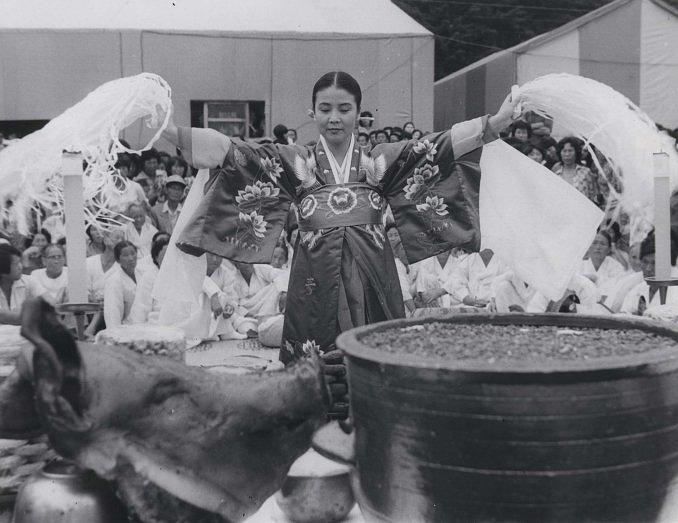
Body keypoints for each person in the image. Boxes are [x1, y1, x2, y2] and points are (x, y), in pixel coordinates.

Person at [159, 70, 519, 367]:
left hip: (372, 268)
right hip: (313, 270)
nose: (335, 117)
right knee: (314, 358)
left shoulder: (379, 160)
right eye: (325, 108)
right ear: (312, 112)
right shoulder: (295, 160)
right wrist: (172, 132)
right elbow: (234, 152)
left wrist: (495, 123)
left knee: (376, 352)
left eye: (344, 109)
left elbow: (435, 147)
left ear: (359, 113)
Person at [129, 235, 170, 324]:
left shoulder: (181, 275)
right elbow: (140, 309)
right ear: (156, 257)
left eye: (172, 257)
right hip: (156, 326)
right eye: (165, 257)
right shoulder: (149, 278)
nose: (169, 261)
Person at [551, 137, 601, 205]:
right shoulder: (556, 175)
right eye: (564, 151)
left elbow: (594, 195)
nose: (567, 154)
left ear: (576, 152)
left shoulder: (586, 172)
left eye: (570, 151)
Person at [579, 230, 626, 302]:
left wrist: (596, 280)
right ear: (588, 247)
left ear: (609, 249)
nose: (598, 247)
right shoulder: (580, 266)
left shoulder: (616, 266)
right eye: (594, 243)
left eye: (602, 244)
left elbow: (619, 289)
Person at [103, 241, 140, 327]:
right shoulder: (114, 281)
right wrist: (115, 332)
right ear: (118, 259)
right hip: (128, 327)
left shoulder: (143, 274)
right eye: (125, 255)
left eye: (133, 254)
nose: (131, 258)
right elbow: (113, 312)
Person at [0, 244, 30, 322]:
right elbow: (3, 316)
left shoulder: (29, 280)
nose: (21, 267)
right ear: (3, 269)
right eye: (16, 264)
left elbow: (48, 302)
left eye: (20, 262)